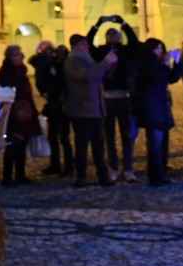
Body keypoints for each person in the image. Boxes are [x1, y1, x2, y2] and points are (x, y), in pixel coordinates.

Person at [88, 14, 141, 182]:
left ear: (119, 36)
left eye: (115, 34)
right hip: (107, 98)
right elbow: (88, 42)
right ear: (106, 37)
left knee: (127, 136)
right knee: (109, 136)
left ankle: (128, 168)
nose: (113, 36)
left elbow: (134, 41)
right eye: (110, 34)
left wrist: (123, 24)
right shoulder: (101, 51)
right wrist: (98, 24)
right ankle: (113, 167)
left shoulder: (126, 50)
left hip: (125, 97)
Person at [64, 34, 117, 187]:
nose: (88, 47)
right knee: (82, 145)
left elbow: (97, 76)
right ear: (78, 45)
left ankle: (102, 176)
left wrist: (109, 66)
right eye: (85, 44)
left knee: (98, 145)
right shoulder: (73, 60)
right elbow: (88, 76)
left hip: (93, 108)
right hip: (83, 109)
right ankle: (81, 177)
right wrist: (105, 63)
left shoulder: (85, 58)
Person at [133, 38, 182, 185]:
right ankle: (156, 176)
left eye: (162, 48)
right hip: (152, 110)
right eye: (158, 48)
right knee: (155, 145)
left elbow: (172, 78)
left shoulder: (159, 64)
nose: (161, 51)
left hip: (161, 108)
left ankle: (161, 174)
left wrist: (178, 62)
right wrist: (166, 64)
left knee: (162, 144)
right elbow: (158, 77)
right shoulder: (148, 64)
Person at [0, 45, 42, 186]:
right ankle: (8, 177)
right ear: (9, 57)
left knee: (23, 143)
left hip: (25, 111)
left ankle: (20, 174)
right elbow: (7, 92)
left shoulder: (22, 71)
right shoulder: (6, 72)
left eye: (20, 54)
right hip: (13, 113)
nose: (20, 57)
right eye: (16, 55)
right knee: (13, 144)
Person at [31, 42, 73, 176]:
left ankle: (68, 167)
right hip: (55, 105)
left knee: (63, 138)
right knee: (54, 137)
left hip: (63, 106)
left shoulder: (64, 68)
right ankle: (57, 165)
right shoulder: (52, 65)